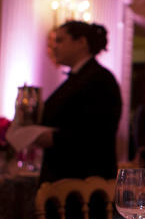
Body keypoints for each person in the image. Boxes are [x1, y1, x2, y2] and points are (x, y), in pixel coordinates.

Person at [37, 21, 122, 183]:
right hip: (66, 179)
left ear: (81, 42)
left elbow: (96, 133)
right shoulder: (78, 78)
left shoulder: (99, 79)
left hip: (83, 183)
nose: (54, 47)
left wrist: (51, 137)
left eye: (60, 40)